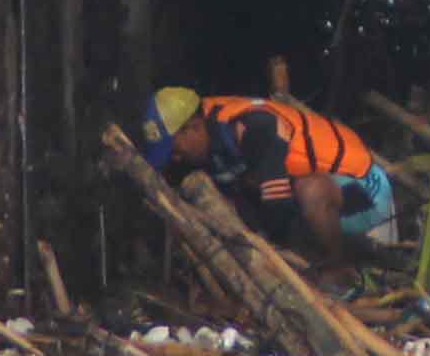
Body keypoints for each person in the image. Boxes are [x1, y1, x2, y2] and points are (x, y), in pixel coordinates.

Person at [140, 88, 395, 272]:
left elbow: (277, 209)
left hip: (366, 192)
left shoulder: (253, 126)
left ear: (194, 127)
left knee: (307, 190)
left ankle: (339, 273)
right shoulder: (210, 138)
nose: (175, 158)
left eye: (174, 149)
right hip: (326, 204)